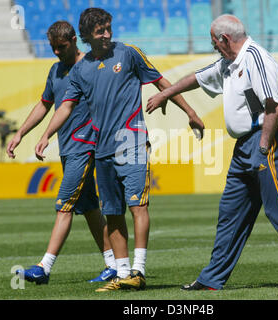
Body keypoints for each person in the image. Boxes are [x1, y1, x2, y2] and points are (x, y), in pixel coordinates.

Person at [146, 14, 278, 290]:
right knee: (230, 212)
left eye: (213, 41)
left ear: (224, 39)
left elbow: (273, 106)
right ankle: (211, 279)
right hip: (244, 145)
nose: (213, 46)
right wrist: (164, 94)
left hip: (264, 139)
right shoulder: (229, 62)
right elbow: (197, 78)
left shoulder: (256, 58)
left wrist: (262, 146)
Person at [34, 8, 205, 291]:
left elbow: (160, 80)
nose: (108, 35)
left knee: (138, 204)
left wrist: (190, 111)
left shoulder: (128, 53)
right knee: (112, 212)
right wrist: (47, 135)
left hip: (131, 139)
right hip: (101, 148)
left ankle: (138, 269)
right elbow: (66, 105)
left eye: (109, 28)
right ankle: (122, 272)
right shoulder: (81, 69)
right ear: (88, 36)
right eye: (101, 31)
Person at [6, 21, 117, 285]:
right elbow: (45, 105)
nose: (56, 52)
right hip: (69, 150)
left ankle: (44, 267)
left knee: (64, 205)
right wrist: (21, 133)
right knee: (89, 208)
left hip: (86, 147)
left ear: (74, 41)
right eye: (53, 48)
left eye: (61, 47)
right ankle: (113, 265)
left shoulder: (91, 66)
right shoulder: (56, 70)